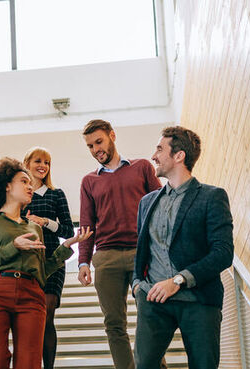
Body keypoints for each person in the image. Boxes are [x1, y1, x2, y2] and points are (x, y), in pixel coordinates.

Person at [0, 157, 92, 369]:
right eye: (24, 182)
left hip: (32, 294)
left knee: (30, 364)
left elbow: (41, 270)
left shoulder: (34, 228)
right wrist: (12, 247)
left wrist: (66, 247)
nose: (30, 187)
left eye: (30, 183)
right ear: (7, 186)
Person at [132, 126, 233, 369]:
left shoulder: (212, 196)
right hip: (153, 300)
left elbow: (223, 253)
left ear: (179, 156)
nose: (153, 155)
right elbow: (142, 248)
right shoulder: (147, 202)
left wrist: (178, 280)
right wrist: (137, 285)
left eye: (159, 149)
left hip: (198, 300)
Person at [77, 119, 162, 369]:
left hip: (142, 254)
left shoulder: (142, 167)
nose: (95, 149)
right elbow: (86, 224)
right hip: (106, 257)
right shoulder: (89, 181)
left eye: (99, 142)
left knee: (151, 318)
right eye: (90, 146)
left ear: (112, 136)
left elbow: (160, 208)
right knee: (114, 324)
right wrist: (83, 261)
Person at [22, 147, 75, 369]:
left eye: (47, 162)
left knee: (47, 312)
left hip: (53, 257)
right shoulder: (20, 194)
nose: (43, 166)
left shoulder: (56, 193)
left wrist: (45, 222)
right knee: (30, 318)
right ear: (27, 163)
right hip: (26, 260)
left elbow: (68, 231)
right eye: (38, 161)